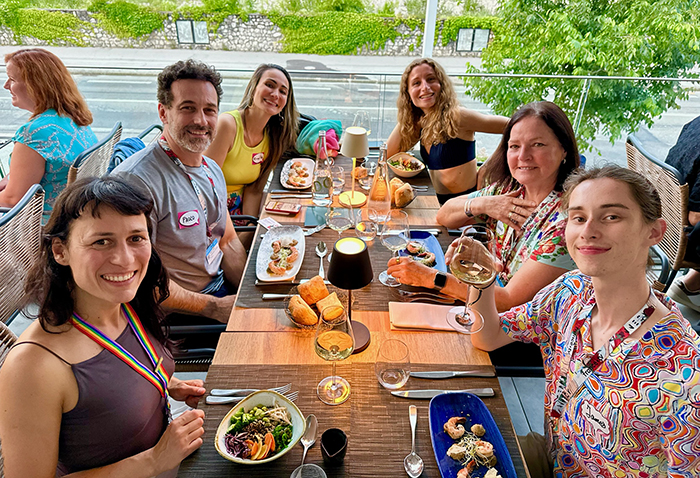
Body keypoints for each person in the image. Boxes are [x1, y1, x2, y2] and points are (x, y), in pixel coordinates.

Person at [467, 165, 700, 477]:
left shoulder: (686, 378)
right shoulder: (571, 291)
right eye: (578, 217)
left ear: (654, 232)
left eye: (611, 216)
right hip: (552, 460)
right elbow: (489, 335)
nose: (588, 230)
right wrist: (480, 278)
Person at [0, 176, 206, 477]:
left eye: (136, 238)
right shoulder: (33, 366)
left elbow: (113, 376)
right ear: (60, 251)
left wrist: (163, 383)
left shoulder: (125, 302)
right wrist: (154, 460)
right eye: (101, 241)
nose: (124, 259)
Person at [388, 101, 579, 312]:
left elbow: (508, 301)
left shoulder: (568, 224)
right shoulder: (509, 189)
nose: (523, 156)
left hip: (516, 326)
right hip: (482, 304)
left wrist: (432, 278)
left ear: (564, 150)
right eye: (514, 146)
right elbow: (444, 215)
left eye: (538, 144)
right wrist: (483, 204)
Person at [112, 60, 246, 325]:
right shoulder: (136, 182)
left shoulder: (211, 168)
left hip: (218, 290)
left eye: (209, 110)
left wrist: (250, 295)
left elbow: (227, 241)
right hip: (178, 316)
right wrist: (215, 307)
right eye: (188, 108)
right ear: (163, 113)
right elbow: (134, 280)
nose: (201, 120)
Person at [386, 58, 508, 205]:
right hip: (436, 202)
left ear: (441, 84)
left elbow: (513, 126)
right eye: (416, 83)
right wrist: (410, 115)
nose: (425, 87)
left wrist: (488, 167)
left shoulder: (458, 116)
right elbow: (388, 154)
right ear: (408, 93)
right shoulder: (422, 122)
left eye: (431, 79)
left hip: (465, 206)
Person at [0, 48, 98, 215]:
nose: (6, 85)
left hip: (41, 224)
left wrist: (11, 186)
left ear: (35, 86)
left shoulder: (34, 133)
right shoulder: (73, 118)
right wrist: (11, 179)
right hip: (74, 215)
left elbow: (12, 200)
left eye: (12, 79)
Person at [204, 63, 299, 219]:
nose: (275, 94)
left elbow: (254, 191)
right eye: (269, 85)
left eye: (283, 92)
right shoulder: (227, 125)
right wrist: (233, 231)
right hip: (212, 212)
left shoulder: (274, 138)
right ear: (254, 87)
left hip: (239, 214)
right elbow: (206, 187)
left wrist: (250, 226)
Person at [662, 115, 700, 312]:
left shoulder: (696, 122)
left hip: (668, 222)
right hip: (687, 237)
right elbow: (696, 216)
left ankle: (690, 284)